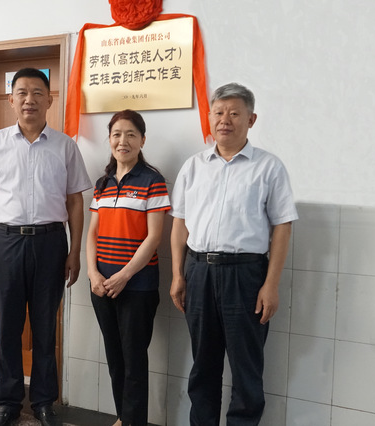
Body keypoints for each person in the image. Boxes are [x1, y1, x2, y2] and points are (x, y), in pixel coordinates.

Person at [0, 68, 91, 426]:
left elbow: (75, 201)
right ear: (11, 100)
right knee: (8, 325)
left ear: (49, 99)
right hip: (5, 241)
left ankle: (43, 402)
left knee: (45, 325)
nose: (29, 99)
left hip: (51, 243)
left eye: (37, 92)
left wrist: (74, 251)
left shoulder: (65, 146)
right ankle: (8, 402)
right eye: (21, 92)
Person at [169, 83, 298, 426]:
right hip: (199, 272)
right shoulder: (194, 166)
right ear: (210, 117)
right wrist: (178, 275)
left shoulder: (268, 168)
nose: (225, 119)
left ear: (251, 119)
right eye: (219, 112)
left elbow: (282, 227)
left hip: (246, 275)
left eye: (234, 113)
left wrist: (271, 285)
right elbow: (180, 224)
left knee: (246, 368)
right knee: (203, 366)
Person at [86, 110, 170, 426]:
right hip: (102, 287)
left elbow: (154, 237)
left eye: (131, 134)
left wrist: (123, 275)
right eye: (117, 134)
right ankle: (124, 417)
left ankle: (133, 421)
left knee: (134, 360)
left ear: (142, 140)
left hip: (137, 286)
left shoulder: (152, 180)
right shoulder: (103, 183)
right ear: (109, 140)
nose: (123, 141)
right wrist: (93, 273)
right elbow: (92, 234)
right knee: (115, 358)